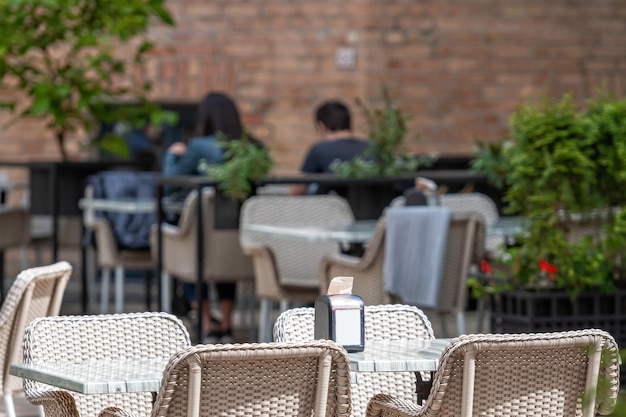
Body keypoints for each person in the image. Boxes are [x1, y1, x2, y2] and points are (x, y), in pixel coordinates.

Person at [163, 92, 259, 343]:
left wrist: (173, 155)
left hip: (203, 240)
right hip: (241, 240)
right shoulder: (253, 147)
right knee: (222, 254)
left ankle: (207, 323)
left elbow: (170, 185)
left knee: (194, 248)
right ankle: (226, 324)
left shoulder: (198, 147)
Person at [289, 100, 369, 195]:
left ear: (321, 126)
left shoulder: (319, 150)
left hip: (331, 207)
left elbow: (298, 190)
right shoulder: (371, 147)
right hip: (368, 207)